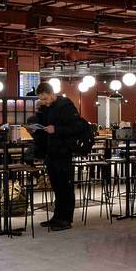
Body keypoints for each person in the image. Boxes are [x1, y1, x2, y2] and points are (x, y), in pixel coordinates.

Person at [32, 82, 80, 231]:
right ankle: (57, 217)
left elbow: (76, 127)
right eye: (42, 99)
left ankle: (66, 219)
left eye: (46, 99)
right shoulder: (48, 107)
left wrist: (56, 129)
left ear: (52, 93)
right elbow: (45, 125)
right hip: (51, 151)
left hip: (64, 151)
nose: (44, 102)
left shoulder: (66, 105)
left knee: (65, 186)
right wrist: (39, 113)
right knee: (56, 186)